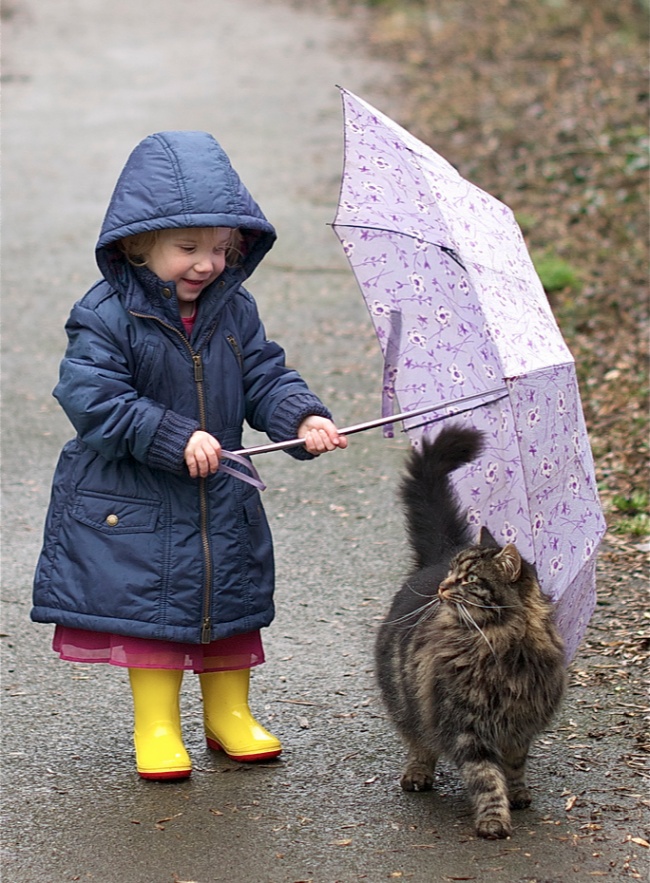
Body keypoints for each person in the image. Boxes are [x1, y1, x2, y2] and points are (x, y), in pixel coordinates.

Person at [31, 131, 347, 781]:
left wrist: (303, 415)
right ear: (135, 246)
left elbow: (264, 373)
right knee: (154, 615)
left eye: (220, 248)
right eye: (188, 248)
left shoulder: (234, 309)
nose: (206, 263)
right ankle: (157, 724)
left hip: (219, 492)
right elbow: (92, 397)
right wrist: (172, 435)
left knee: (228, 606)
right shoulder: (105, 315)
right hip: (139, 496)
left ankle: (229, 713)